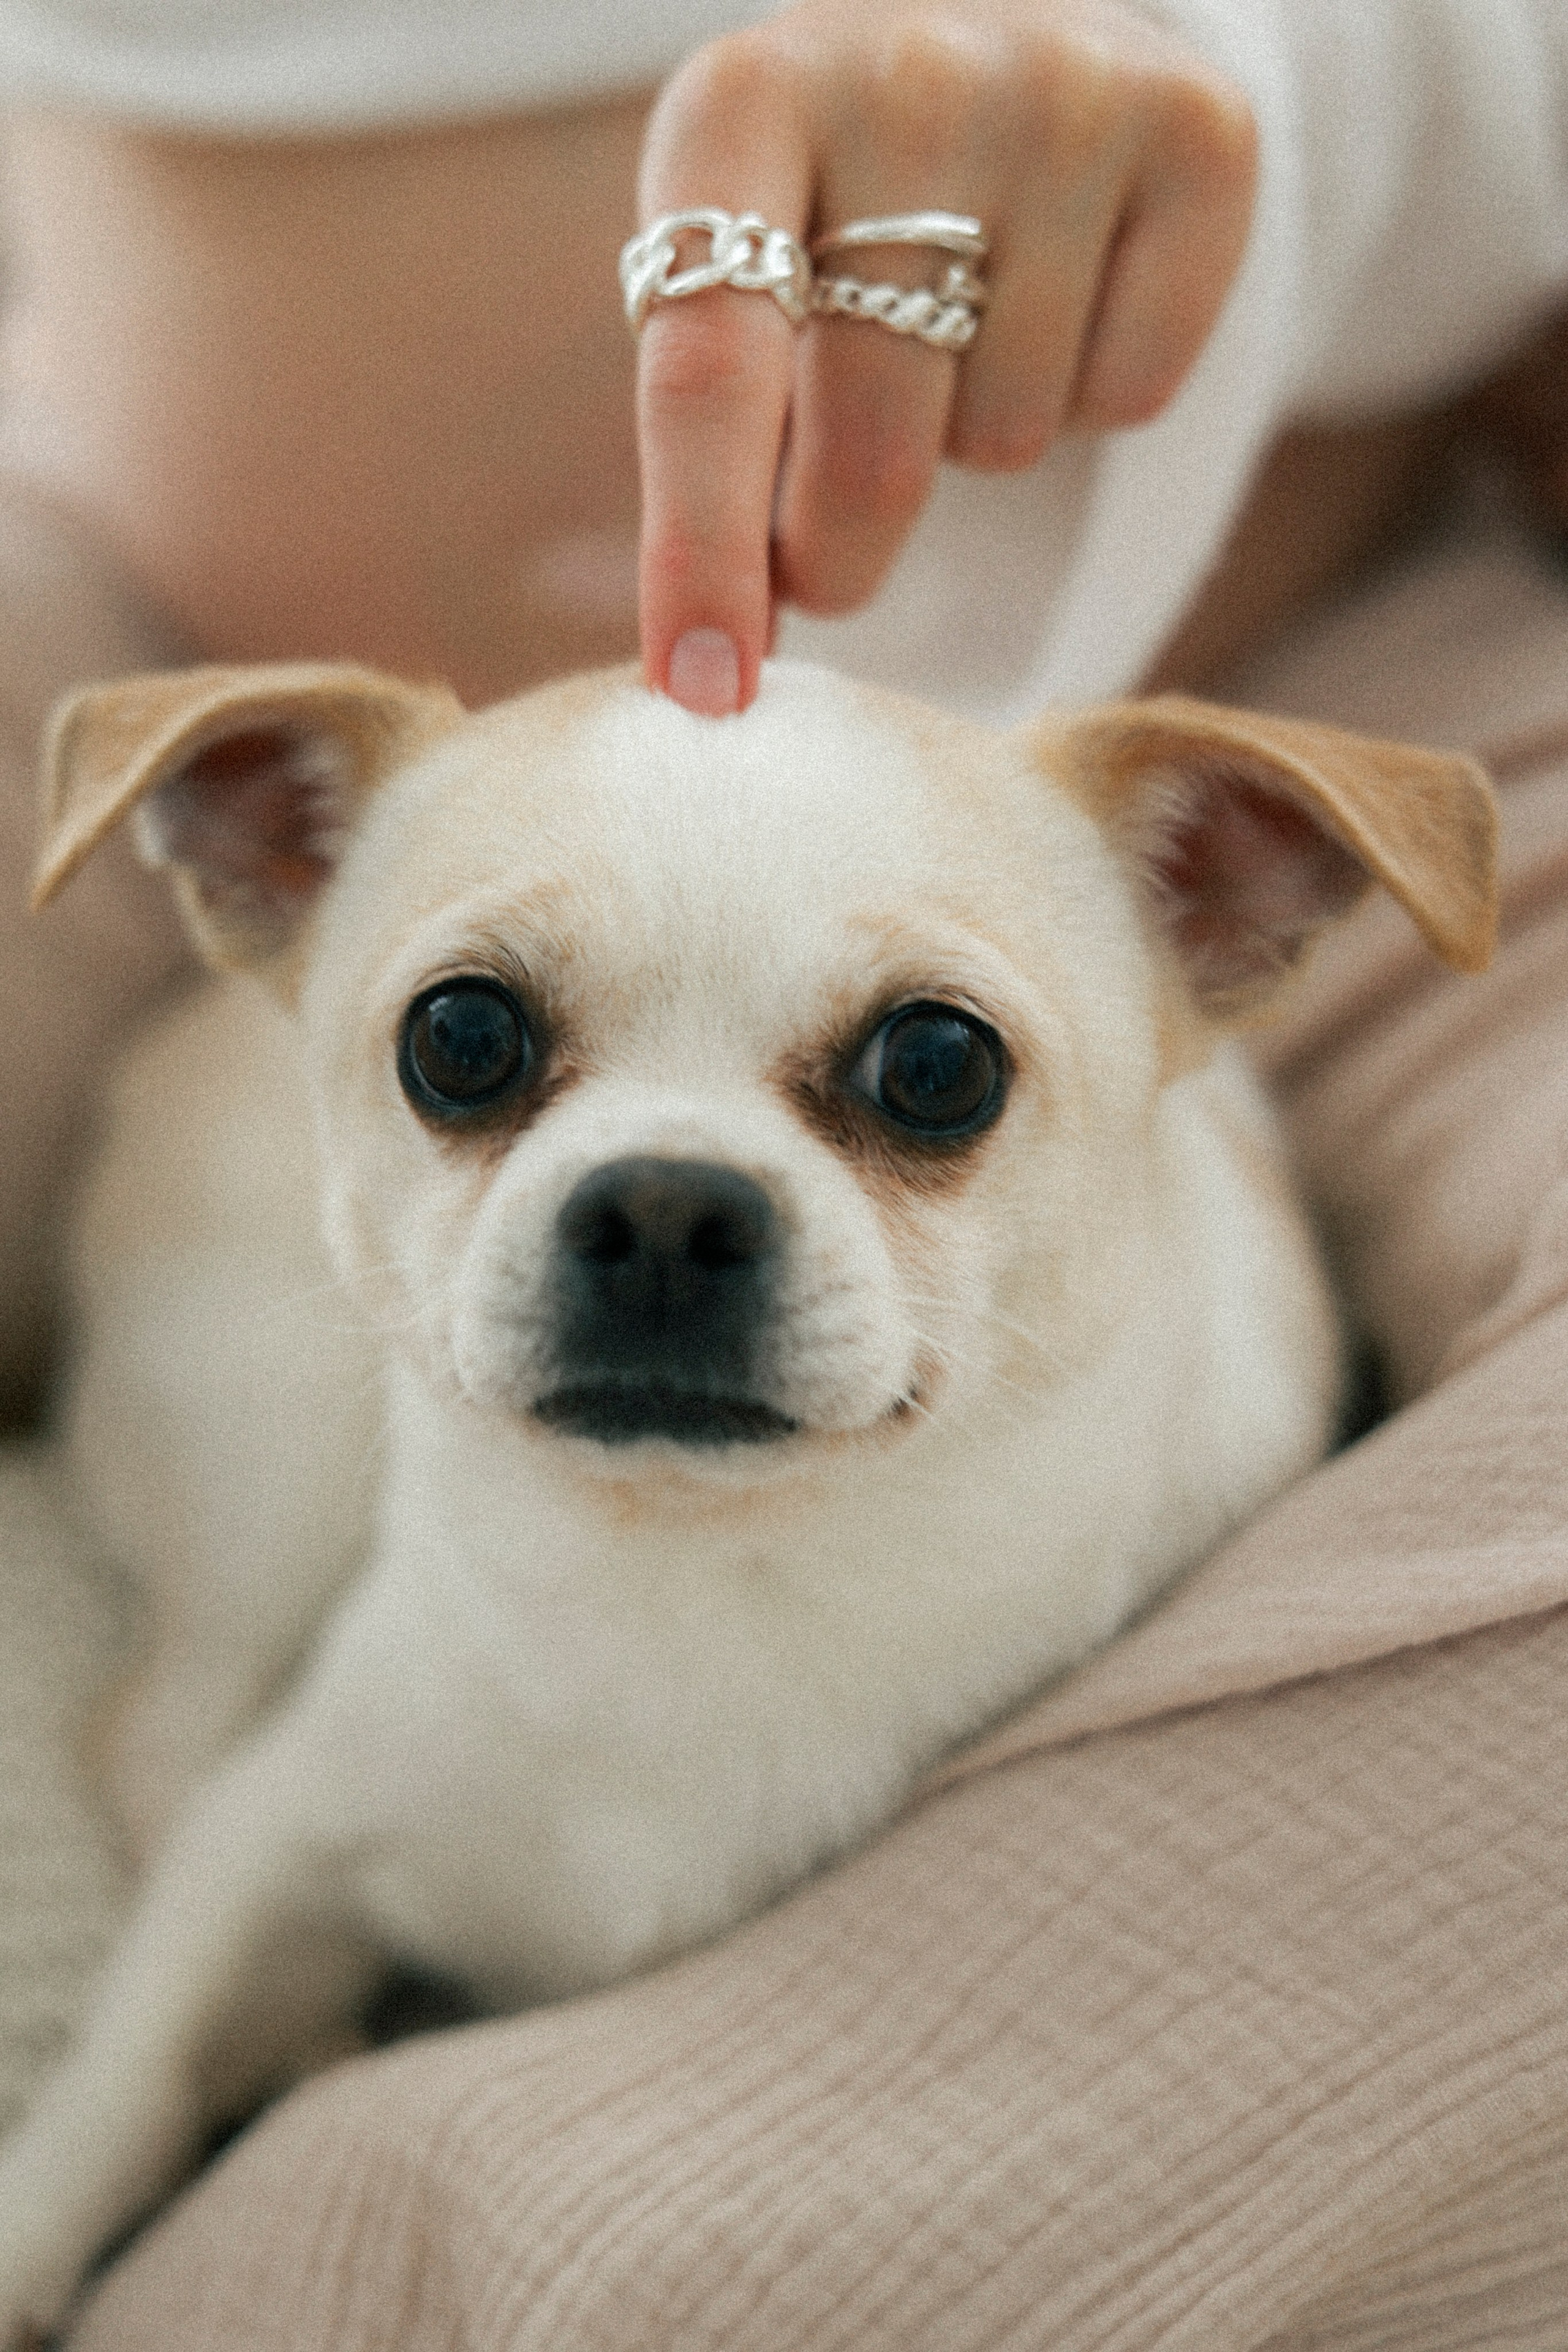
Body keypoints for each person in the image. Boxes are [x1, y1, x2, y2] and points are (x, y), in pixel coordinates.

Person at [4, 2, 1568, 2337]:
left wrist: (1255, 72)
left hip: (1303, 647)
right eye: (482, 1055)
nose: (662, 1208)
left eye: (916, 1084)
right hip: (144, 590)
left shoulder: (1173, 917)